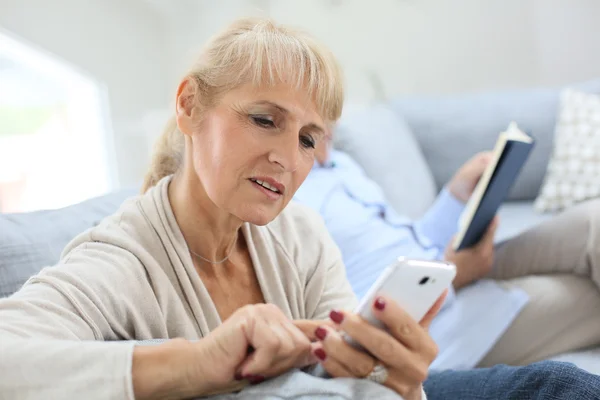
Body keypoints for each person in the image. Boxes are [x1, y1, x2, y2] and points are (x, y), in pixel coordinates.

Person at [0, 16, 598, 400]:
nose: (290, 158)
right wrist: (199, 364)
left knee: (565, 383)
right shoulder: (121, 262)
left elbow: (367, 383)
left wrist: (400, 379)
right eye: (265, 120)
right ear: (188, 106)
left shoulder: (301, 232)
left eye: (309, 138)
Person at [294, 124, 600, 369]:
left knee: (593, 220)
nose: (330, 121)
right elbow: (344, 317)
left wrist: (455, 196)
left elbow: (408, 243)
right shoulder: (290, 194)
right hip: (437, 324)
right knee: (589, 296)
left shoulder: (341, 163)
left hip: (443, 267)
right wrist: (454, 276)